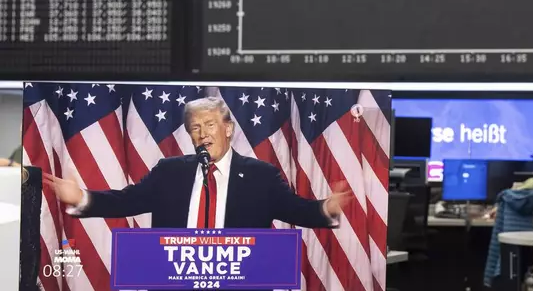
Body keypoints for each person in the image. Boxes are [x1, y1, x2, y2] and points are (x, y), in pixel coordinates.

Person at [44, 97, 351, 230]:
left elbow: (293, 208)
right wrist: (83, 198)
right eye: (195, 128)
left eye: (210, 125)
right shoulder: (170, 171)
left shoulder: (261, 175)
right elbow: (127, 201)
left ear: (228, 128)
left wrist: (326, 208)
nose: (202, 134)